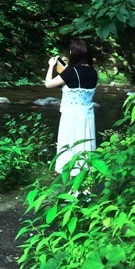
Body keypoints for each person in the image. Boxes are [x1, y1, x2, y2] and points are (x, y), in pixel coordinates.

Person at [44, 39, 98, 177]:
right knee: (86, 147)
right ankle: (85, 184)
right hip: (87, 117)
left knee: (70, 146)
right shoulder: (94, 72)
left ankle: (69, 183)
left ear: (74, 54)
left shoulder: (71, 72)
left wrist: (51, 66)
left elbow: (48, 84)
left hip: (71, 117)